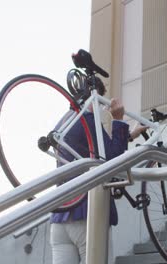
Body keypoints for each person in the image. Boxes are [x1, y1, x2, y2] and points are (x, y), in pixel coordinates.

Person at [49, 79, 146, 264]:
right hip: (87, 213)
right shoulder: (87, 120)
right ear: (94, 97)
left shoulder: (64, 121)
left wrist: (130, 135)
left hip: (61, 216)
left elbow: (89, 149)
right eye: (101, 102)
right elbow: (112, 161)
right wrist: (118, 120)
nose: (101, 107)